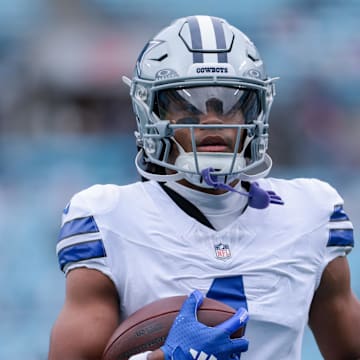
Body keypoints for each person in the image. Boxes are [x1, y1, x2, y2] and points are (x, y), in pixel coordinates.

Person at [48, 15, 360, 360]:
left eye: (230, 104)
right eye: (187, 106)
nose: (212, 120)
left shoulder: (312, 212)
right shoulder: (108, 218)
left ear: (256, 113)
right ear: (150, 114)